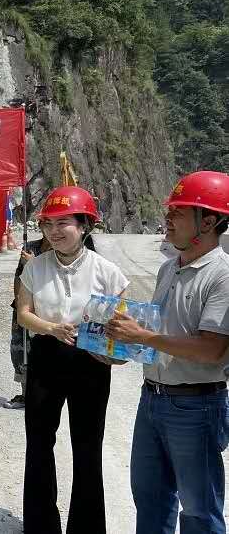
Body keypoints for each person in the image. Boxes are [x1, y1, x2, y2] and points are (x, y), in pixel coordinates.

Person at [107, 171, 229, 534]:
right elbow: (158, 334)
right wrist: (117, 343)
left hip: (196, 406)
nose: (168, 218)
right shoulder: (168, 269)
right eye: (170, 210)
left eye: (179, 212)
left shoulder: (222, 276)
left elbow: (212, 349)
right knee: (151, 499)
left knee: (199, 510)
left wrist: (144, 336)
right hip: (152, 400)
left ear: (208, 222)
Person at [15, 187, 129, 534]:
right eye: (47, 224)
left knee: (87, 445)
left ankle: (87, 527)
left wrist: (117, 352)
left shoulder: (108, 272)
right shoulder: (35, 267)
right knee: (39, 442)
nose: (54, 231)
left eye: (63, 223)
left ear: (85, 225)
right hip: (46, 357)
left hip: (90, 362)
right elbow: (23, 314)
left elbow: (122, 324)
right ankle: (41, 526)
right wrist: (51, 328)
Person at [4, 236, 50, 409]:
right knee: (19, 350)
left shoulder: (60, 250)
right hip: (23, 307)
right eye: (45, 224)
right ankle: (25, 395)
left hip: (45, 310)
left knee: (43, 352)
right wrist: (18, 302)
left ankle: (44, 396)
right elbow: (19, 276)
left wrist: (34, 263)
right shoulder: (30, 246)